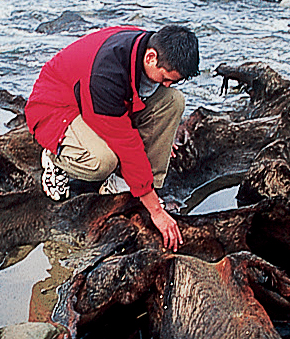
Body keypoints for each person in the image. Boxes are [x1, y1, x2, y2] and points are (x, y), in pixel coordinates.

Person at [24, 24, 199, 251]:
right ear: (151, 57)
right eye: (166, 78)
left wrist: (162, 139)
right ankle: (55, 157)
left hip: (93, 102)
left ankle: (127, 186)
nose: (166, 84)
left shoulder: (149, 44)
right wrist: (156, 212)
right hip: (57, 107)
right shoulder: (106, 75)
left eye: (173, 80)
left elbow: (140, 117)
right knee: (103, 161)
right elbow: (127, 145)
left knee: (173, 100)